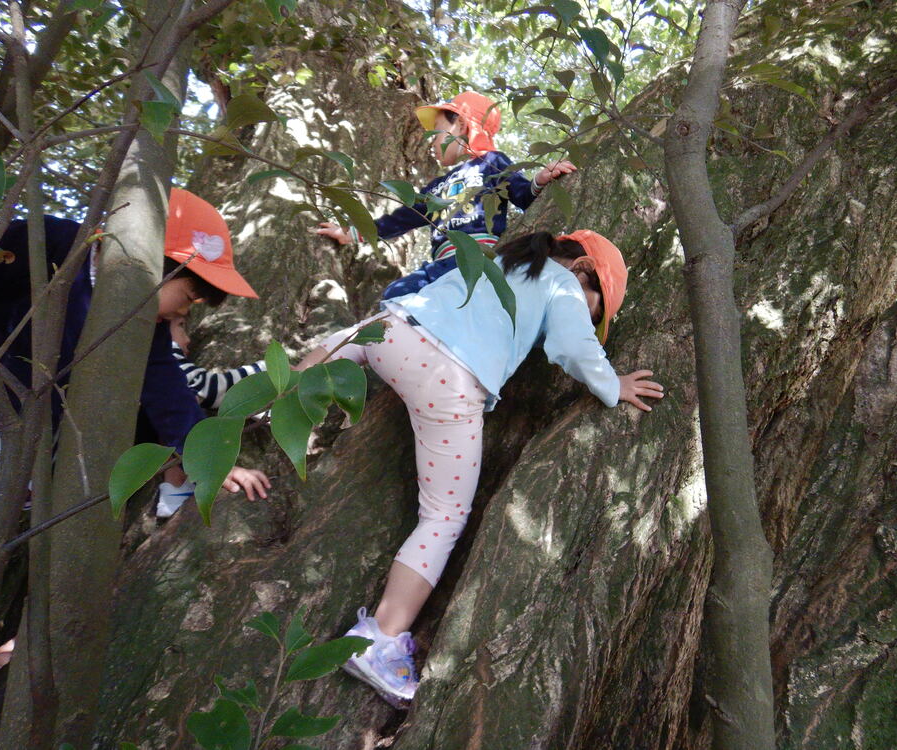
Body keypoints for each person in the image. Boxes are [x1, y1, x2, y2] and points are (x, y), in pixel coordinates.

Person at [294, 230, 664, 707]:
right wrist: (612, 383)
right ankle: (379, 639)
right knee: (444, 516)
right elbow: (574, 346)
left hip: (394, 332)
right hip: (448, 380)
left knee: (344, 339)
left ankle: (269, 403)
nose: (591, 320)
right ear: (584, 269)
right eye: (598, 310)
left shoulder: (500, 260)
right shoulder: (565, 284)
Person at [0, 188, 271, 509]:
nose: (182, 315)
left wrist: (210, 464)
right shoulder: (53, 243)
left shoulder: (146, 327)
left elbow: (169, 394)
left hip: (22, 449)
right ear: (156, 263)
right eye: (189, 299)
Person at [313, 90, 577, 299]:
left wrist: (540, 180)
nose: (432, 141)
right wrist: (353, 232)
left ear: (460, 124)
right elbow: (404, 217)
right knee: (395, 294)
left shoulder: (492, 162)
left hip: (476, 260)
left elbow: (522, 194)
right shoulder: (437, 186)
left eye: (437, 130)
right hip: (440, 264)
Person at [157, 317, 266, 517]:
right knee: (185, 396)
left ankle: (175, 484)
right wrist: (261, 373)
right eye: (180, 325)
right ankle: (179, 482)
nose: (188, 339)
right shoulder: (162, 347)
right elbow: (205, 387)